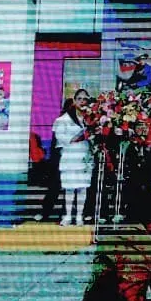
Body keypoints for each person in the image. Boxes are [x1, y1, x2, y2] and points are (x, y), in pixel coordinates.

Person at [52, 89, 95, 228]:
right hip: (70, 156)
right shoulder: (63, 119)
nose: (82, 101)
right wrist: (76, 137)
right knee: (69, 188)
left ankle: (79, 216)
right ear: (74, 100)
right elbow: (60, 138)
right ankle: (68, 215)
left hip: (84, 156)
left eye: (85, 99)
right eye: (80, 98)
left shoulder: (91, 118)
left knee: (83, 188)